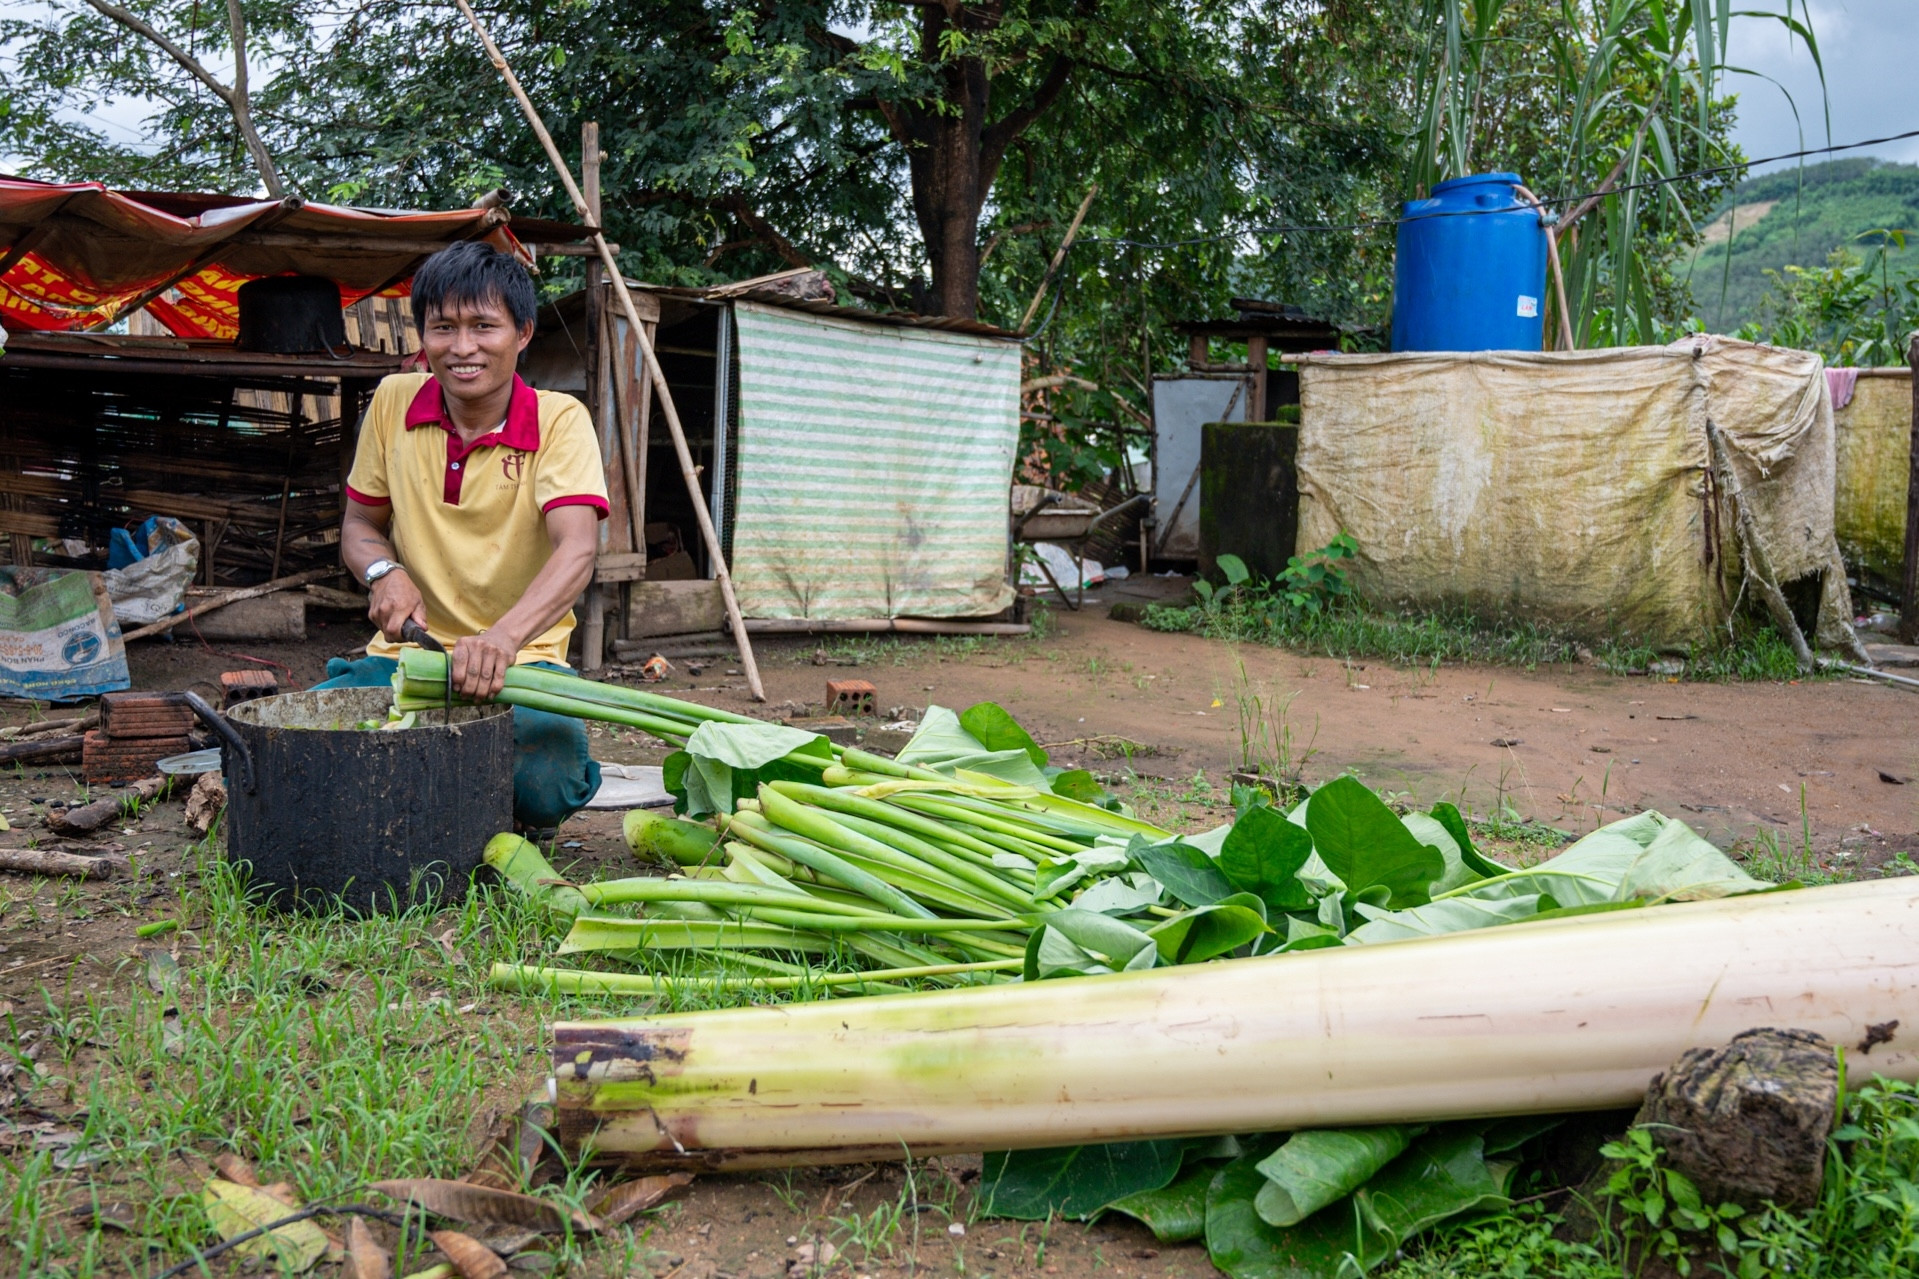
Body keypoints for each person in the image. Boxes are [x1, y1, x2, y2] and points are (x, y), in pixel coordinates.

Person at [314, 240, 608, 828]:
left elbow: (577, 547)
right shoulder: (394, 402)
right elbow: (360, 524)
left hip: (523, 660)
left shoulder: (559, 420)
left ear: (522, 333)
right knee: (312, 737)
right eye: (443, 327)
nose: (463, 347)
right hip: (408, 656)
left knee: (551, 784)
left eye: (484, 326)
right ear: (423, 335)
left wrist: (503, 639)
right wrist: (382, 572)